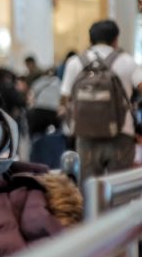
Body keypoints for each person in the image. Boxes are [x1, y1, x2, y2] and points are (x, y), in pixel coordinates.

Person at [60, 20, 142, 181]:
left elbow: (64, 100)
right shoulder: (127, 61)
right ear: (116, 39)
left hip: (85, 136)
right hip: (121, 135)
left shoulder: (75, 63)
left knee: (90, 192)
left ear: (90, 39)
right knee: (119, 192)